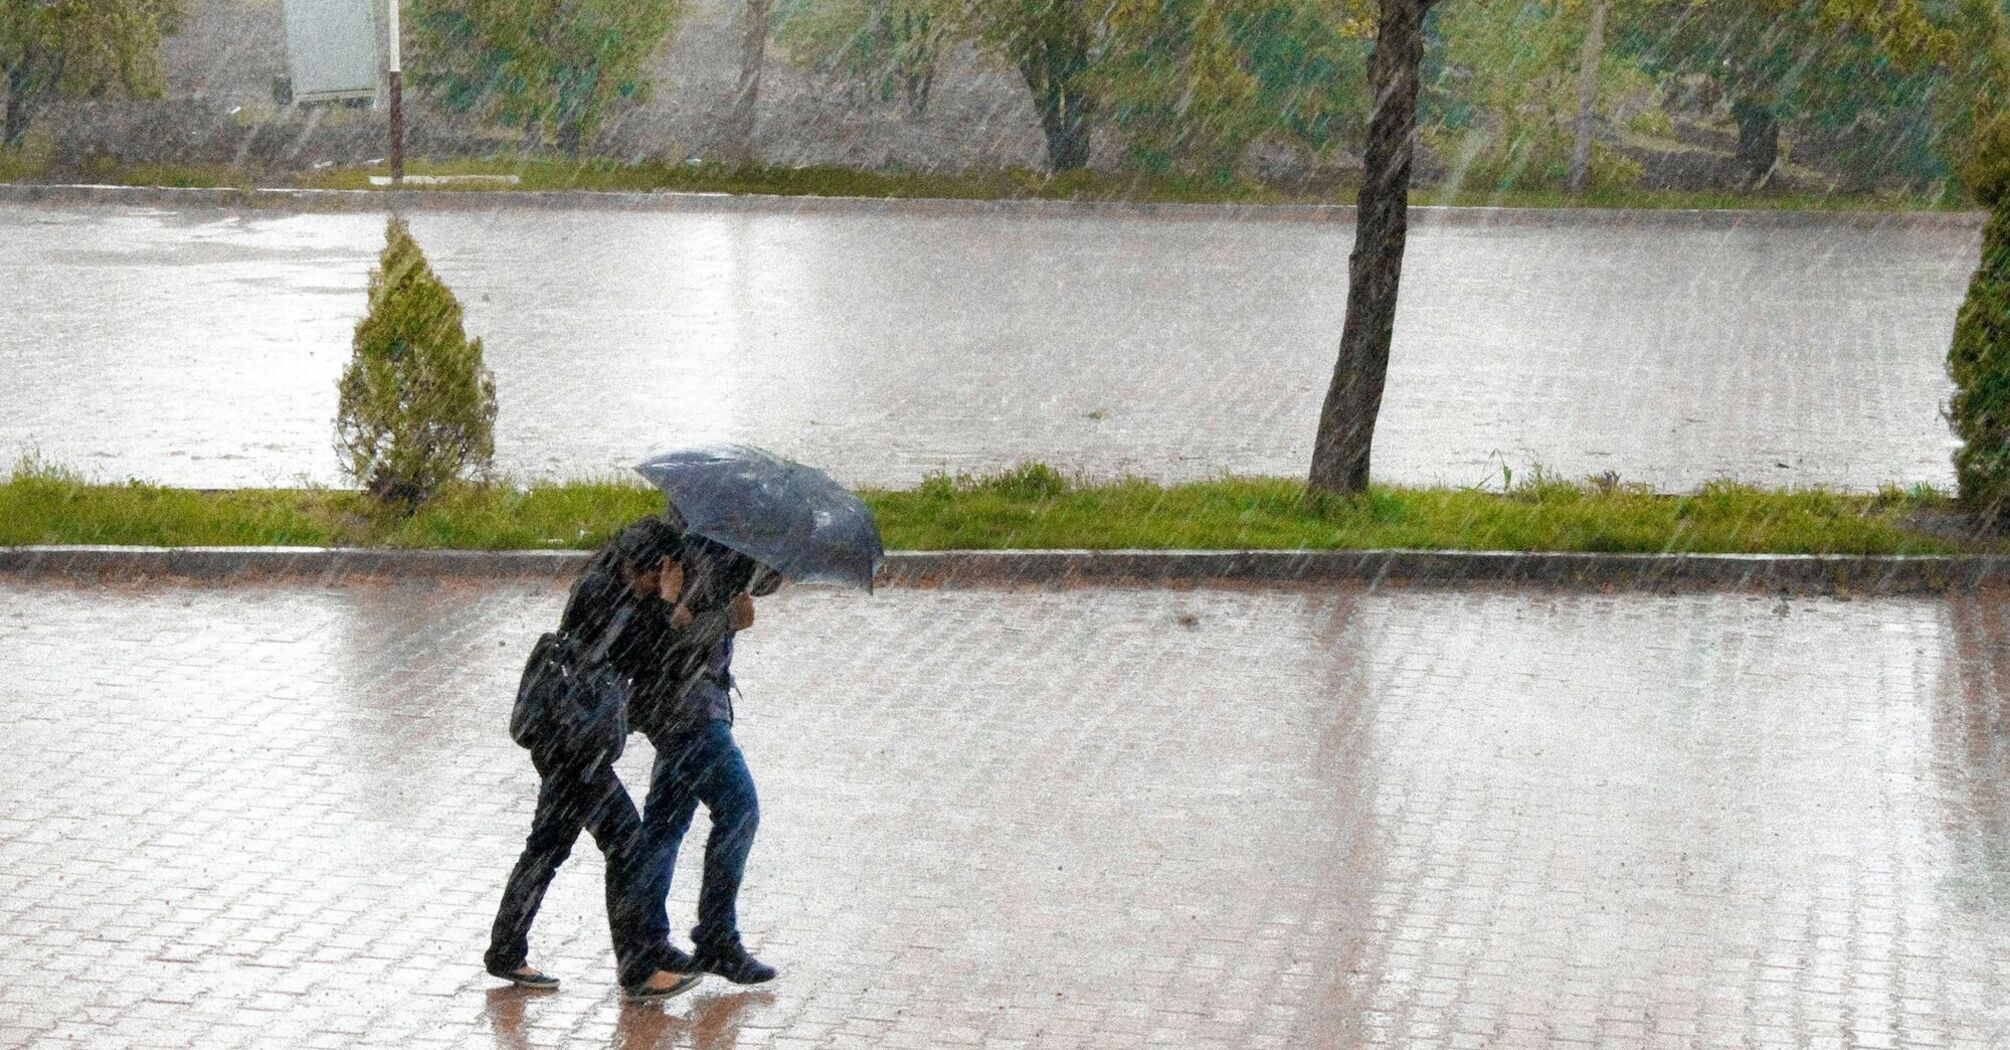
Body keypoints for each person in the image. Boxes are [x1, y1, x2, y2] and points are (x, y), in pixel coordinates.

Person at [484, 516, 704, 1001]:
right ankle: (637, 969)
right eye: (663, 573)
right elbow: (646, 657)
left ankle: (505, 950)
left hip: (562, 738)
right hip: (572, 746)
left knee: (547, 844)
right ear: (651, 567)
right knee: (626, 842)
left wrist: (665, 610)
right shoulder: (606, 594)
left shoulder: (608, 585)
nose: (664, 583)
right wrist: (667, 609)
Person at [614, 535, 783, 990]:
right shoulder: (699, 549)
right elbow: (672, 637)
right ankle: (715, 937)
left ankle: (646, 942)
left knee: (665, 824)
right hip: (688, 709)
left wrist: (775, 555)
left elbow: (761, 583)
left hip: (683, 706)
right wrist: (728, 618)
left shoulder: (724, 540)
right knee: (739, 809)